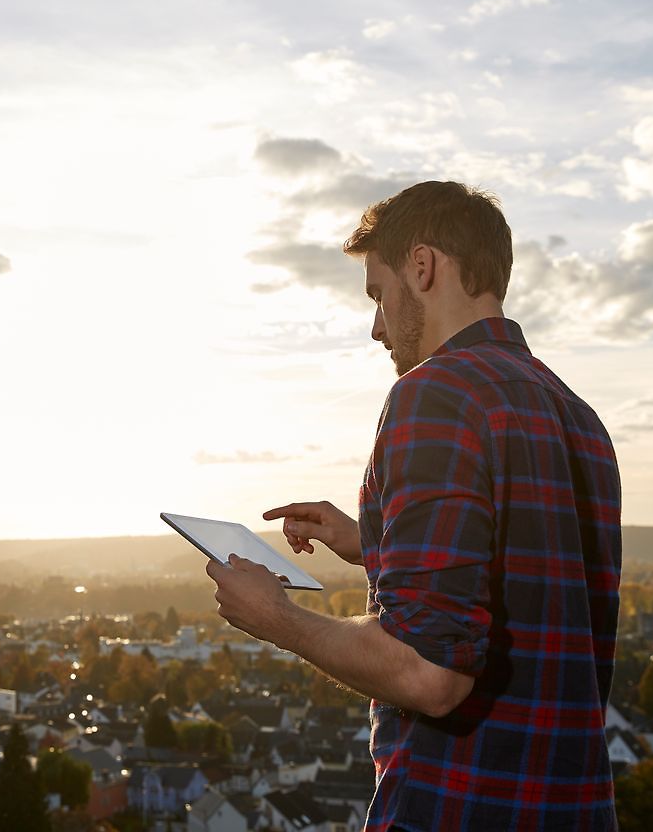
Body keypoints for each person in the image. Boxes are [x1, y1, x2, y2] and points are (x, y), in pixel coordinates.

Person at [207, 180, 621, 830]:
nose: (375, 327)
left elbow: (430, 673)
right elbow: (523, 583)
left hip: (457, 809)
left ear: (422, 267)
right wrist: (370, 541)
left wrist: (278, 617)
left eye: (378, 292)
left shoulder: (435, 395)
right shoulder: (577, 416)